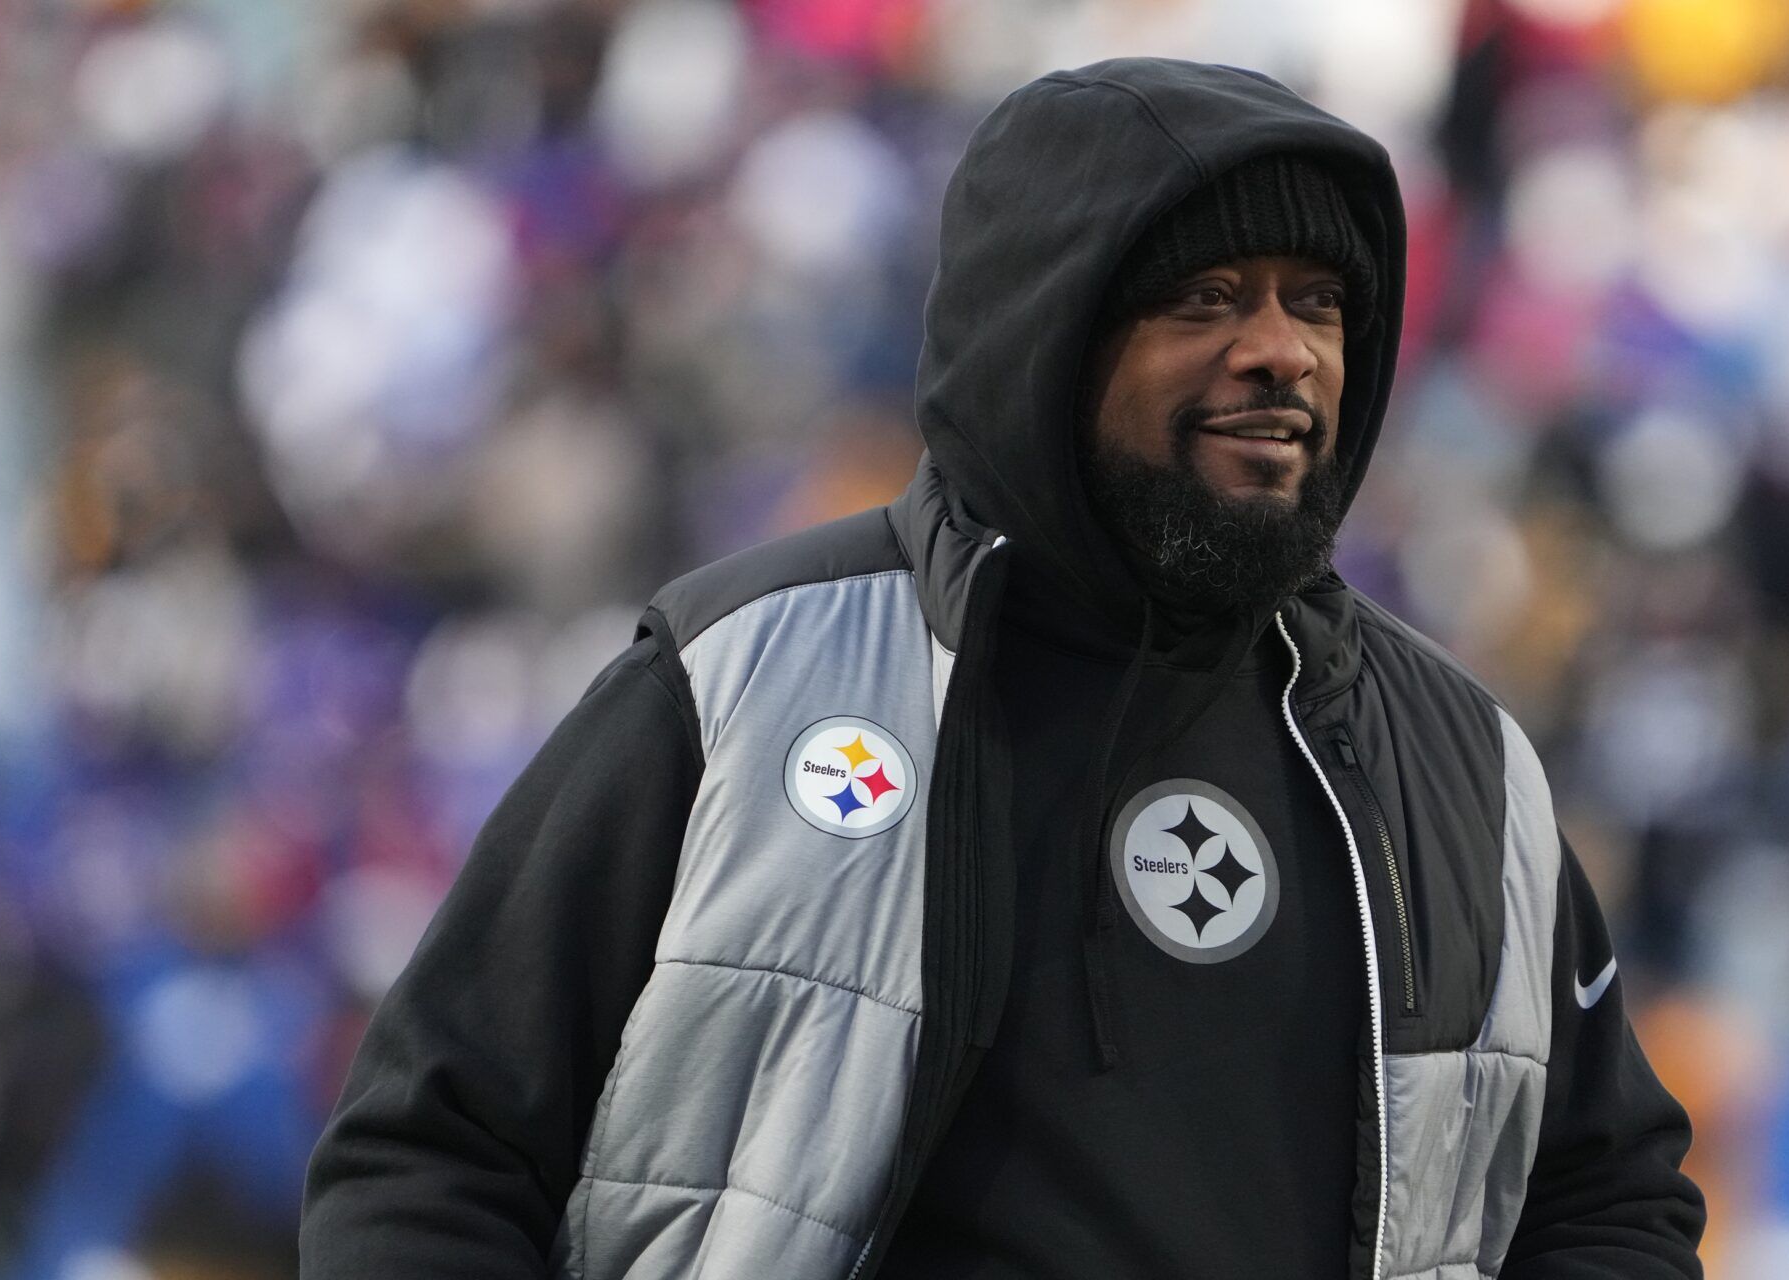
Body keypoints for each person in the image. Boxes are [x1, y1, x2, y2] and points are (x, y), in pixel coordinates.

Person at [299, 58, 1705, 1279]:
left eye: (1321, 304)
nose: (1282, 351)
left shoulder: (1462, 765)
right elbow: (433, 1153)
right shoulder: (745, 681)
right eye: (1206, 294)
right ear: (1049, 330)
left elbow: (1611, 1196)